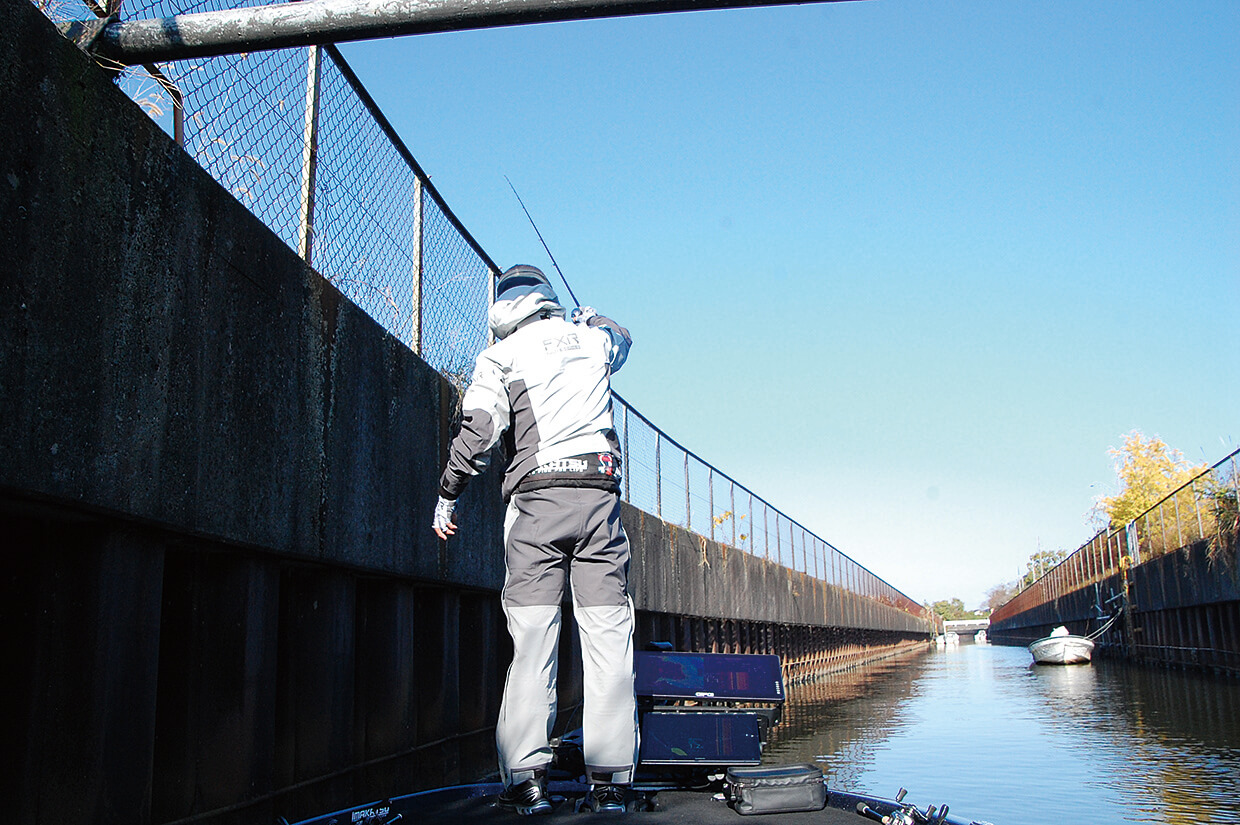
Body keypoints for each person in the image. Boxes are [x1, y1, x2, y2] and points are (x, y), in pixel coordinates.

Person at [432, 264, 637, 815]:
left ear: (502, 308)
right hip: (599, 502)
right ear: (546, 298)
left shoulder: (501, 356)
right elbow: (623, 341)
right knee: (608, 641)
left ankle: (527, 781)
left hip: (537, 507)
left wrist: (448, 493)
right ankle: (612, 784)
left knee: (533, 643)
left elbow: (477, 432)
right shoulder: (593, 342)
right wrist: (594, 317)